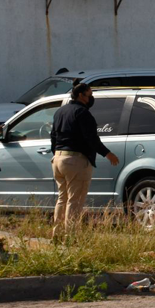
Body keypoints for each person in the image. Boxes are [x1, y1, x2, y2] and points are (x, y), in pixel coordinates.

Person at [49, 83, 119, 236]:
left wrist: (57, 153)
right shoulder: (82, 113)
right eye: (90, 95)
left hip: (58, 159)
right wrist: (108, 154)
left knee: (62, 199)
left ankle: (57, 234)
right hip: (76, 161)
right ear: (81, 95)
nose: (91, 98)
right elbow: (91, 139)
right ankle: (71, 237)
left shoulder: (60, 111)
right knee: (75, 200)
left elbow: (53, 137)